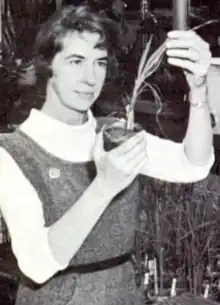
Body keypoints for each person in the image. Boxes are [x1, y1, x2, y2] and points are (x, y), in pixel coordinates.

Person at [0, 4, 214, 305]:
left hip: (123, 294)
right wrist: (104, 186)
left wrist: (199, 89)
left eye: (99, 63)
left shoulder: (114, 132)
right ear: (48, 65)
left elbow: (193, 165)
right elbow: (35, 264)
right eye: (76, 61)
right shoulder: (12, 151)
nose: (90, 78)